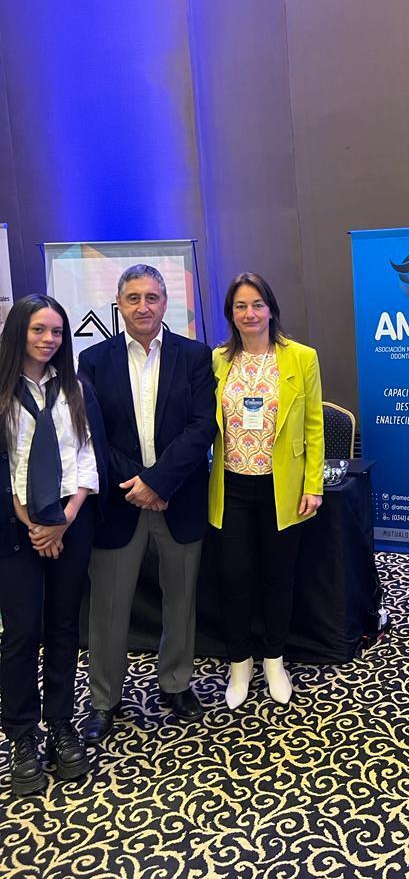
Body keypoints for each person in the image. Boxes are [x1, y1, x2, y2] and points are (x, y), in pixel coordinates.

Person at [78, 264, 217, 744]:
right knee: (108, 607)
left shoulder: (195, 356)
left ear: (165, 303)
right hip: (119, 502)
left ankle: (176, 683)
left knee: (181, 600)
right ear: (119, 304)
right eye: (133, 297)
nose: (143, 306)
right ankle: (104, 700)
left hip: (179, 498)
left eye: (152, 297)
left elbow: (202, 427)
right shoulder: (93, 360)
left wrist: (158, 483)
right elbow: (92, 433)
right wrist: (136, 484)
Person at [0, 295, 106, 796]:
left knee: (64, 627)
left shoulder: (75, 388)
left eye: (57, 332)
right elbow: (5, 468)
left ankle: (61, 723)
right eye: (39, 330)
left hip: (69, 522)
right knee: (21, 633)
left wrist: (64, 520)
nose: (48, 339)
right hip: (14, 527)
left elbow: (87, 457)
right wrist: (32, 523)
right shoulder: (2, 391)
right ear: (19, 331)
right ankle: (22, 735)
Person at [208, 272, 324, 708]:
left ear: (271, 309)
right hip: (231, 485)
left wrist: (313, 484)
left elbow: (314, 425)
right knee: (234, 577)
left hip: (282, 486)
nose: (250, 313)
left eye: (257, 304)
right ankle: (240, 663)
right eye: (240, 306)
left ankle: (274, 659)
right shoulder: (217, 360)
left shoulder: (301, 358)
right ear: (230, 314)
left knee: (279, 577)